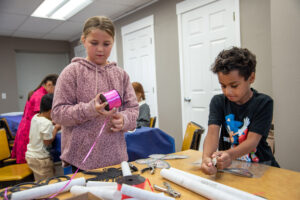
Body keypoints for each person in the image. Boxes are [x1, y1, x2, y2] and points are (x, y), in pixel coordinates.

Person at [51, 16, 139, 172]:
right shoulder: (72, 72)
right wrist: (90, 109)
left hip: (116, 158)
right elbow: (58, 114)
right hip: (80, 160)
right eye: (94, 43)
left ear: (113, 42)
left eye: (106, 44)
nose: (100, 49)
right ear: (84, 40)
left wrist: (124, 120)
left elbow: (133, 109)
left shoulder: (121, 75)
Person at [201, 47, 279, 175]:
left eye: (234, 86)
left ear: (251, 78)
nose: (228, 92)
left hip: (261, 166)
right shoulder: (218, 101)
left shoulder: (264, 103)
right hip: (230, 167)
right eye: (223, 86)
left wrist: (229, 154)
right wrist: (206, 158)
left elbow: (252, 142)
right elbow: (212, 134)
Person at [12, 74, 58, 163]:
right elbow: (45, 118)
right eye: (56, 89)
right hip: (29, 130)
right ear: (49, 84)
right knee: (33, 160)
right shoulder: (40, 96)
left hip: (27, 128)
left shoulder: (38, 92)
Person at [25, 94, 61, 181]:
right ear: (51, 111)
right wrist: (56, 128)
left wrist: (51, 123)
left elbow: (41, 126)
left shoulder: (36, 117)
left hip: (32, 155)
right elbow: (47, 142)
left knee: (40, 180)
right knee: (46, 183)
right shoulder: (46, 123)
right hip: (41, 160)